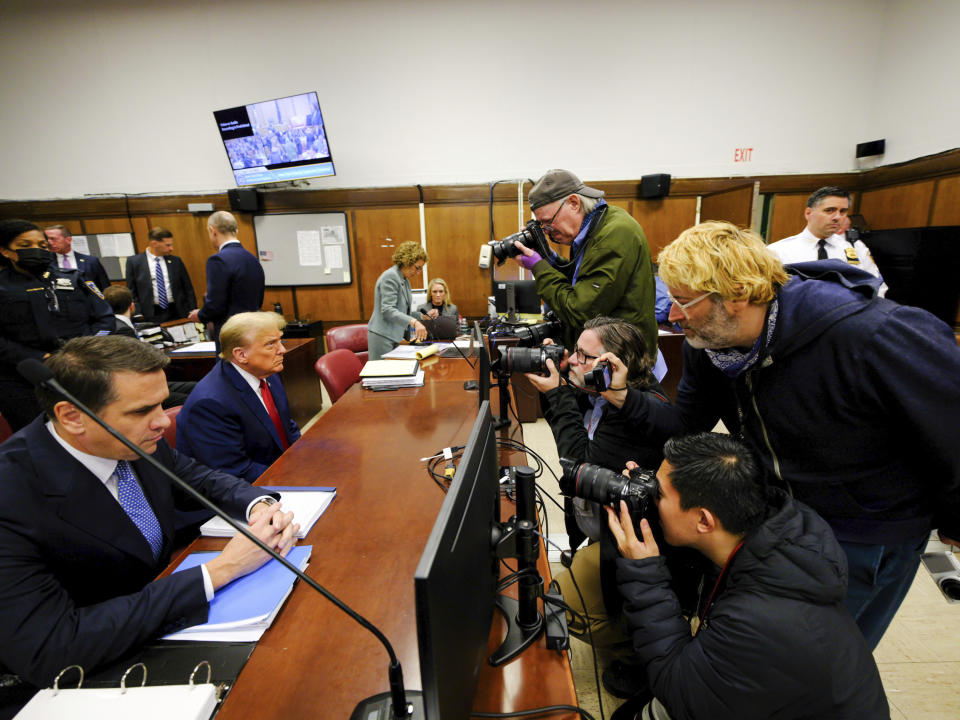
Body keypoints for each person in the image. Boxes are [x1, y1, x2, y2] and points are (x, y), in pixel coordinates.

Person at [602, 220, 960, 649]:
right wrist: (621, 394)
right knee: (770, 649)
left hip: (866, 530)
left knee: (824, 660)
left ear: (735, 296)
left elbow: (950, 429)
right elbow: (685, 424)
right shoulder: (713, 346)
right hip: (780, 516)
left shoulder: (872, 333)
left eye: (683, 302)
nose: (672, 316)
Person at [0, 335, 298, 689]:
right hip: (96, 671)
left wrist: (258, 503)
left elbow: (197, 478)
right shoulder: (12, 495)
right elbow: (50, 647)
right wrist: (222, 570)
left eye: (162, 404)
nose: (164, 422)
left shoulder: (133, 439)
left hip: (164, 617)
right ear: (72, 416)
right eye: (142, 411)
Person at [606, 433, 889, 720]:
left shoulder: (757, 620)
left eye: (658, 495)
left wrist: (645, 574)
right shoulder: (772, 534)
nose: (651, 498)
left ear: (704, 520)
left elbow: (680, 694)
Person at [524, 316, 691, 699]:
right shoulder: (602, 394)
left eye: (584, 356)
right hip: (606, 532)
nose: (572, 362)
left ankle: (636, 655)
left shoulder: (637, 413)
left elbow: (577, 467)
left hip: (641, 554)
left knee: (560, 604)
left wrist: (557, 396)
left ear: (615, 365)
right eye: (575, 352)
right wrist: (563, 382)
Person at [508, 169, 658, 356]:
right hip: (608, 353)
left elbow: (579, 312)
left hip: (622, 361)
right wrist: (549, 258)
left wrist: (539, 267)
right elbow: (583, 282)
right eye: (542, 226)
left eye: (548, 222)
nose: (546, 230)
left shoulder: (615, 234)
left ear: (573, 203)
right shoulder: (596, 227)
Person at [0, 219, 113, 431]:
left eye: (42, 246)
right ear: (6, 251)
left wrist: (86, 349)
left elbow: (105, 320)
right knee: (42, 437)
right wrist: (39, 357)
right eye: (25, 246)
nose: (37, 250)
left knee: (90, 430)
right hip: (24, 379)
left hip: (80, 369)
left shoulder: (75, 279)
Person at [177, 311, 300, 482]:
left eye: (280, 340)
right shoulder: (210, 403)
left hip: (280, 467)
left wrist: (305, 458)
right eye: (271, 344)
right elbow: (235, 471)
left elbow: (287, 427)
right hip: (249, 490)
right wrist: (295, 478)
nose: (282, 350)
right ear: (241, 355)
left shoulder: (267, 373)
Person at [767, 186, 887, 294]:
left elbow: (878, 286)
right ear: (808, 213)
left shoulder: (855, 248)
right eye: (829, 210)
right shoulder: (778, 251)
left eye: (843, 211)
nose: (837, 217)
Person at [188, 211, 265, 348]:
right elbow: (258, 299)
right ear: (236, 230)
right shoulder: (252, 258)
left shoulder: (218, 260)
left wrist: (200, 315)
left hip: (230, 333)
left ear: (213, 230)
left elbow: (216, 304)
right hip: (253, 330)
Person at [367, 241, 429, 360]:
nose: (418, 273)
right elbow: (388, 310)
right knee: (381, 375)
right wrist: (414, 322)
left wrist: (421, 316)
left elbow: (401, 311)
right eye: (417, 268)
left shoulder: (405, 280)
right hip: (382, 335)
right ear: (407, 261)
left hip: (394, 335)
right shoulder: (390, 277)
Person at [125, 226, 198, 322]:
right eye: (167, 245)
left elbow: (188, 288)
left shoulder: (176, 261)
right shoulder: (134, 262)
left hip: (177, 311)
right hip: (150, 313)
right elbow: (132, 292)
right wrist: (137, 313)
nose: (172, 248)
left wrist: (192, 310)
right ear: (154, 244)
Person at [44, 224, 111, 291]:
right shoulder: (46, 262)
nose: (49, 243)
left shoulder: (90, 261)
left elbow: (104, 287)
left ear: (68, 240)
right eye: (47, 239)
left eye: (53, 239)